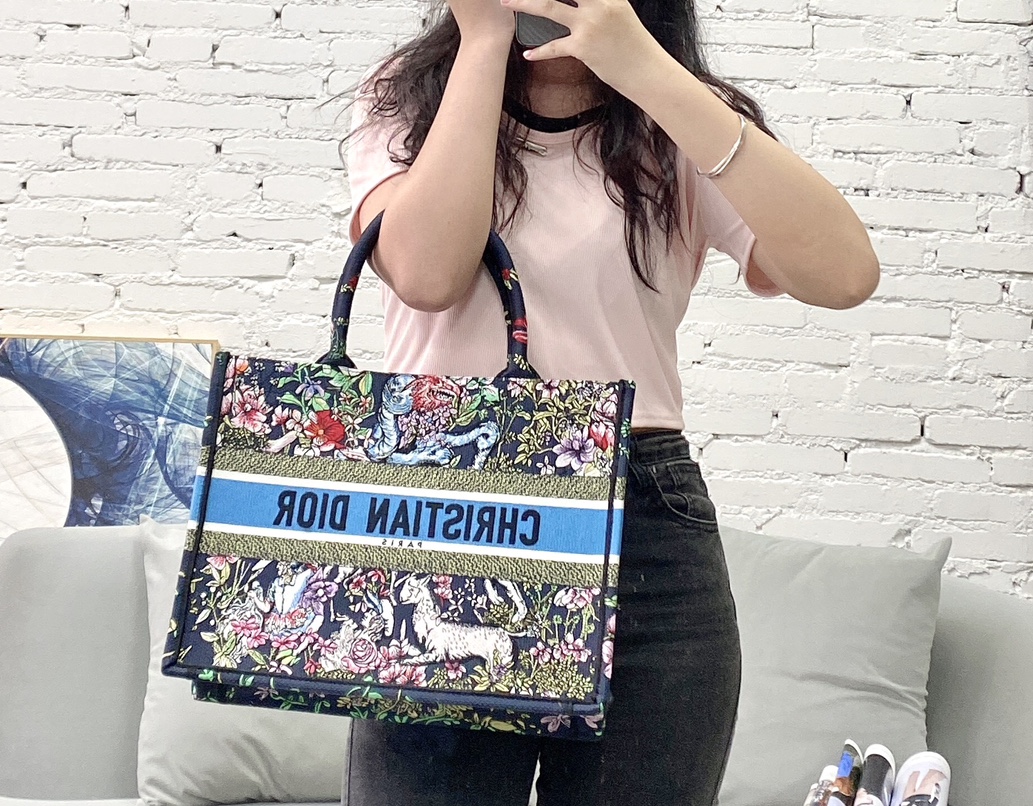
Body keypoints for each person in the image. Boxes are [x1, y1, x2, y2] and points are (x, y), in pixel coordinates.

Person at [338, 0, 880, 803]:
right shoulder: (409, 96)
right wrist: (483, 41)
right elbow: (427, 273)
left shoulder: (677, 116)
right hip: (450, 505)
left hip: (642, 520)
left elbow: (843, 274)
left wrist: (647, 69)